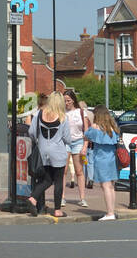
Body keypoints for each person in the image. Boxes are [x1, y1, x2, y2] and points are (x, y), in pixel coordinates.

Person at [28, 90, 70, 218]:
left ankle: (33, 198)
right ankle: (57, 210)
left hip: (42, 151)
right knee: (58, 181)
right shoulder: (63, 117)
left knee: (47, 179)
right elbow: (67, 138)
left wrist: (39, 141)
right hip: (58, 152)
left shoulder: (39, 114)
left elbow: (31, 132)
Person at [83, 105, 121, 221]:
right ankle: (112, 211)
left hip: (101, 159)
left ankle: (110, 213)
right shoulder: (113, 127)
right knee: (111, 186)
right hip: (112, 158)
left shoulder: (95, 127)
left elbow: (86, 135)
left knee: (105, 186)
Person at [63, 89, 91, 206]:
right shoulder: (62, 113)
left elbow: (86, 130)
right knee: (63, 171)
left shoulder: (81, 112)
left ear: (73, 100)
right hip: (65, 142)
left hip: (78, 141)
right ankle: (62, 197)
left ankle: (82, 198)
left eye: (68, 100)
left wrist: (85, 146)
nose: (66, 103)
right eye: (64, 101)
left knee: (79, 171)